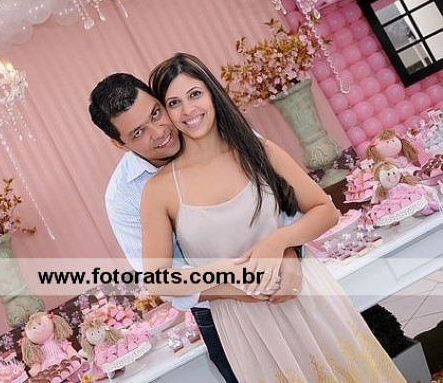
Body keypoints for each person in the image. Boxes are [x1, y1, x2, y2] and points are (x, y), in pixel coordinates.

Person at [141, 53, 405, 382]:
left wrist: (279, 242)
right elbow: (158, 280)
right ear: (165, 113)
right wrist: (225, 273)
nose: (188, 110)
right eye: (174, 102)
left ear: (212, 93)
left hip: (305, 295)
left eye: (195, 94)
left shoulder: (258, 151)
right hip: (246, 325)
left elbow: (324, 211)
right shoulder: (159, 190)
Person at [89, 73, 304, 383]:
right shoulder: (124, 195)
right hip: (219, 312)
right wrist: (240, 290)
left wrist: (289, 252)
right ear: (119, 143)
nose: (159, 132)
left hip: (287, 278)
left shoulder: (219, 132)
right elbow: (160, 277)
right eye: (138, 132)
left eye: (156, 113)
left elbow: (284, 196)